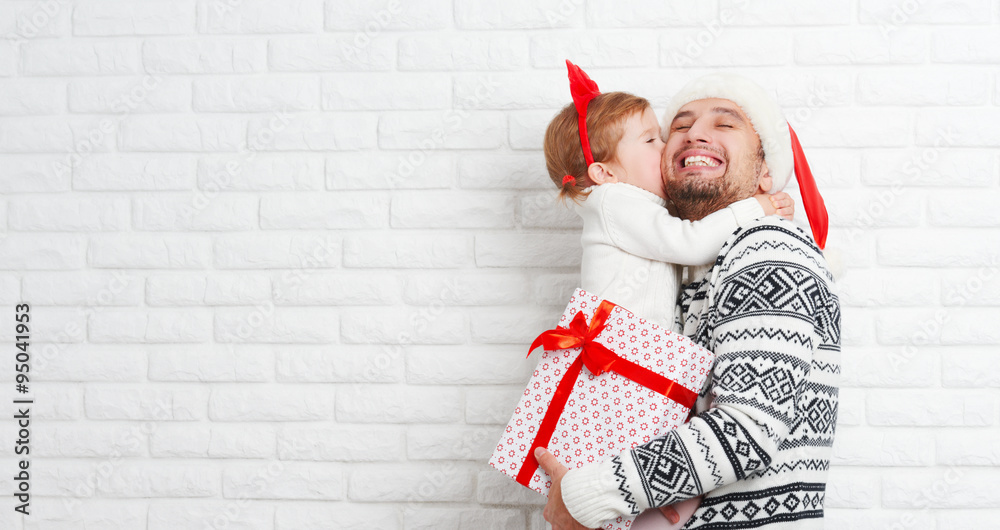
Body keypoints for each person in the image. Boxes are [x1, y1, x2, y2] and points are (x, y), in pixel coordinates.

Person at [535, 72, 841, 530]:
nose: (695, 133)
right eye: (677, 126)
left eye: (726, 123)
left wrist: (583, 495)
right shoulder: (693, 264)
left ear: (766, 174)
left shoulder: (766, 249)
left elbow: (746, 435)